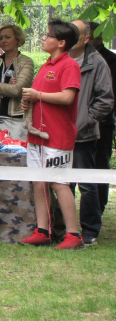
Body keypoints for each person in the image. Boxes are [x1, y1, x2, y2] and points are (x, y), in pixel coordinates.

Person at [19, 19, 84, 250]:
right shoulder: (46, 65)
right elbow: (39, 96)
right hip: (37, 137)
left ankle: (73, 235)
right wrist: (29, 103)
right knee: (39, 183)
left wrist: (37, 95)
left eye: (48, 36)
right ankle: (42, 230)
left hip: (58, 137)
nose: (43, 39)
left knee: (59, 183)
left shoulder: (69, 65)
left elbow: (67, 97)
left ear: (62, 42)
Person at [67, 19, 113, 246]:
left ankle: (90, 231)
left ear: (86, 38)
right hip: (59, 134)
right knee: (62, 182)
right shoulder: (59, 57)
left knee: (86, 183)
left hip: (83, 135)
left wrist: (86, 120)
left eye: (75, 32)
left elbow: (106, 99)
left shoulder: (97, 62)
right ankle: (65, 228)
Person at [0, 24, 34, 140]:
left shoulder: (26, 62)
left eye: (7, 37)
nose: (3, 40)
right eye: (1, 38)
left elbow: (17, 90)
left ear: (18, 39)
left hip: (16, 120)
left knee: (14, 156)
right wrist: (6, 89)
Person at [88, 21, 116, 213]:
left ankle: (99, 205)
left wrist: (96, 116)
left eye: (90, 36)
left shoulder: (111, 61)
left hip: (103, 122)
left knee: (100, 164)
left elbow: (110, 95)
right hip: (81, 124)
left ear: (100, 37)